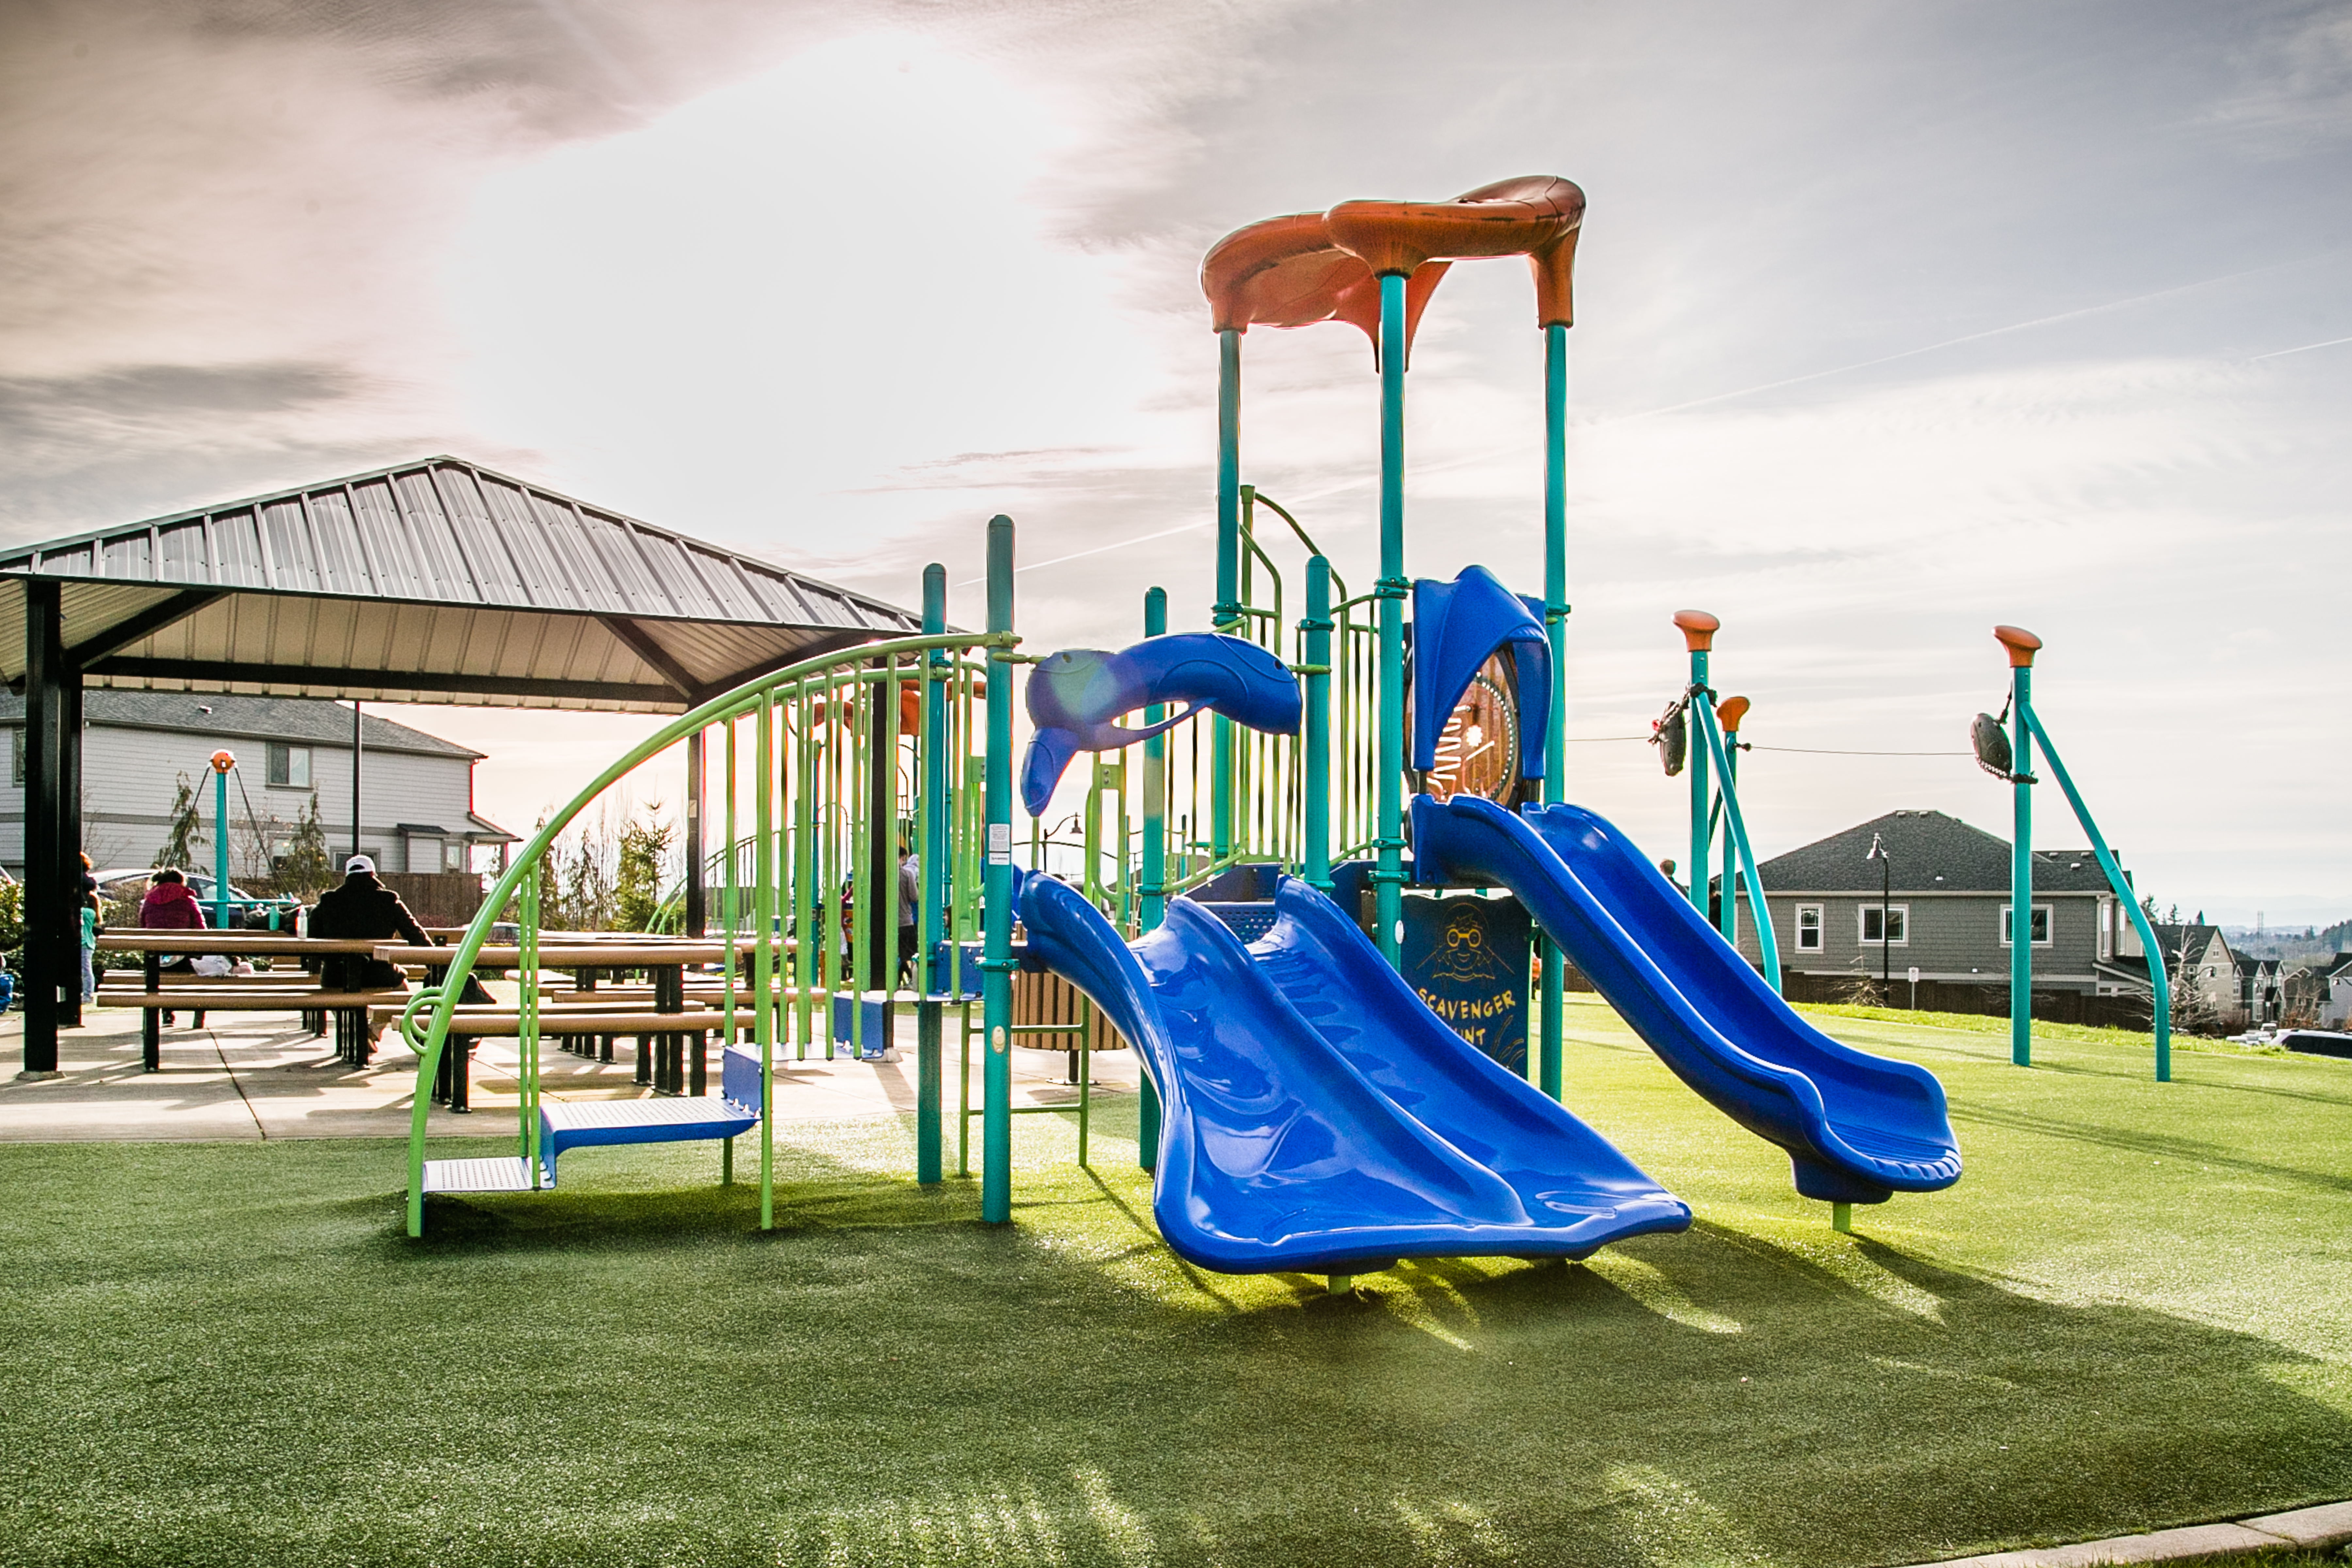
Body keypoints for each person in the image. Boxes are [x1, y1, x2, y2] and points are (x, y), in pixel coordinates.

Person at [305, 855, 431, 1057]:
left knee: (332, 989)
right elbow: (416, 934)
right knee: (403, 995)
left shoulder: (327, 902)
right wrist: (435, 961)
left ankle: (356, 1031)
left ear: (347, 876)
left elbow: (313, 944)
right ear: (373, 875)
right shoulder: (388, 900)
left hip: (337, 976)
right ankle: (372, 1031)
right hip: (380, 975)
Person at [138, 868, 207, 1027]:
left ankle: (167, 1014)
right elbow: (200, 928)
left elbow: (143, 926)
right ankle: (199, 1010)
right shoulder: (188, 900)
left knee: (158, 981)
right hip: (183, 956)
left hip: (156, 958)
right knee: (199, 975)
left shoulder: (149, 902)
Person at [78, 891, 100, 1005]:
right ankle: (87, 993)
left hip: (85, 943)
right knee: (85, 969)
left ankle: (88, 994)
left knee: (86, 970)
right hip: (87, 943)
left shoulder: (87, 912)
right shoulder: (92, 913)